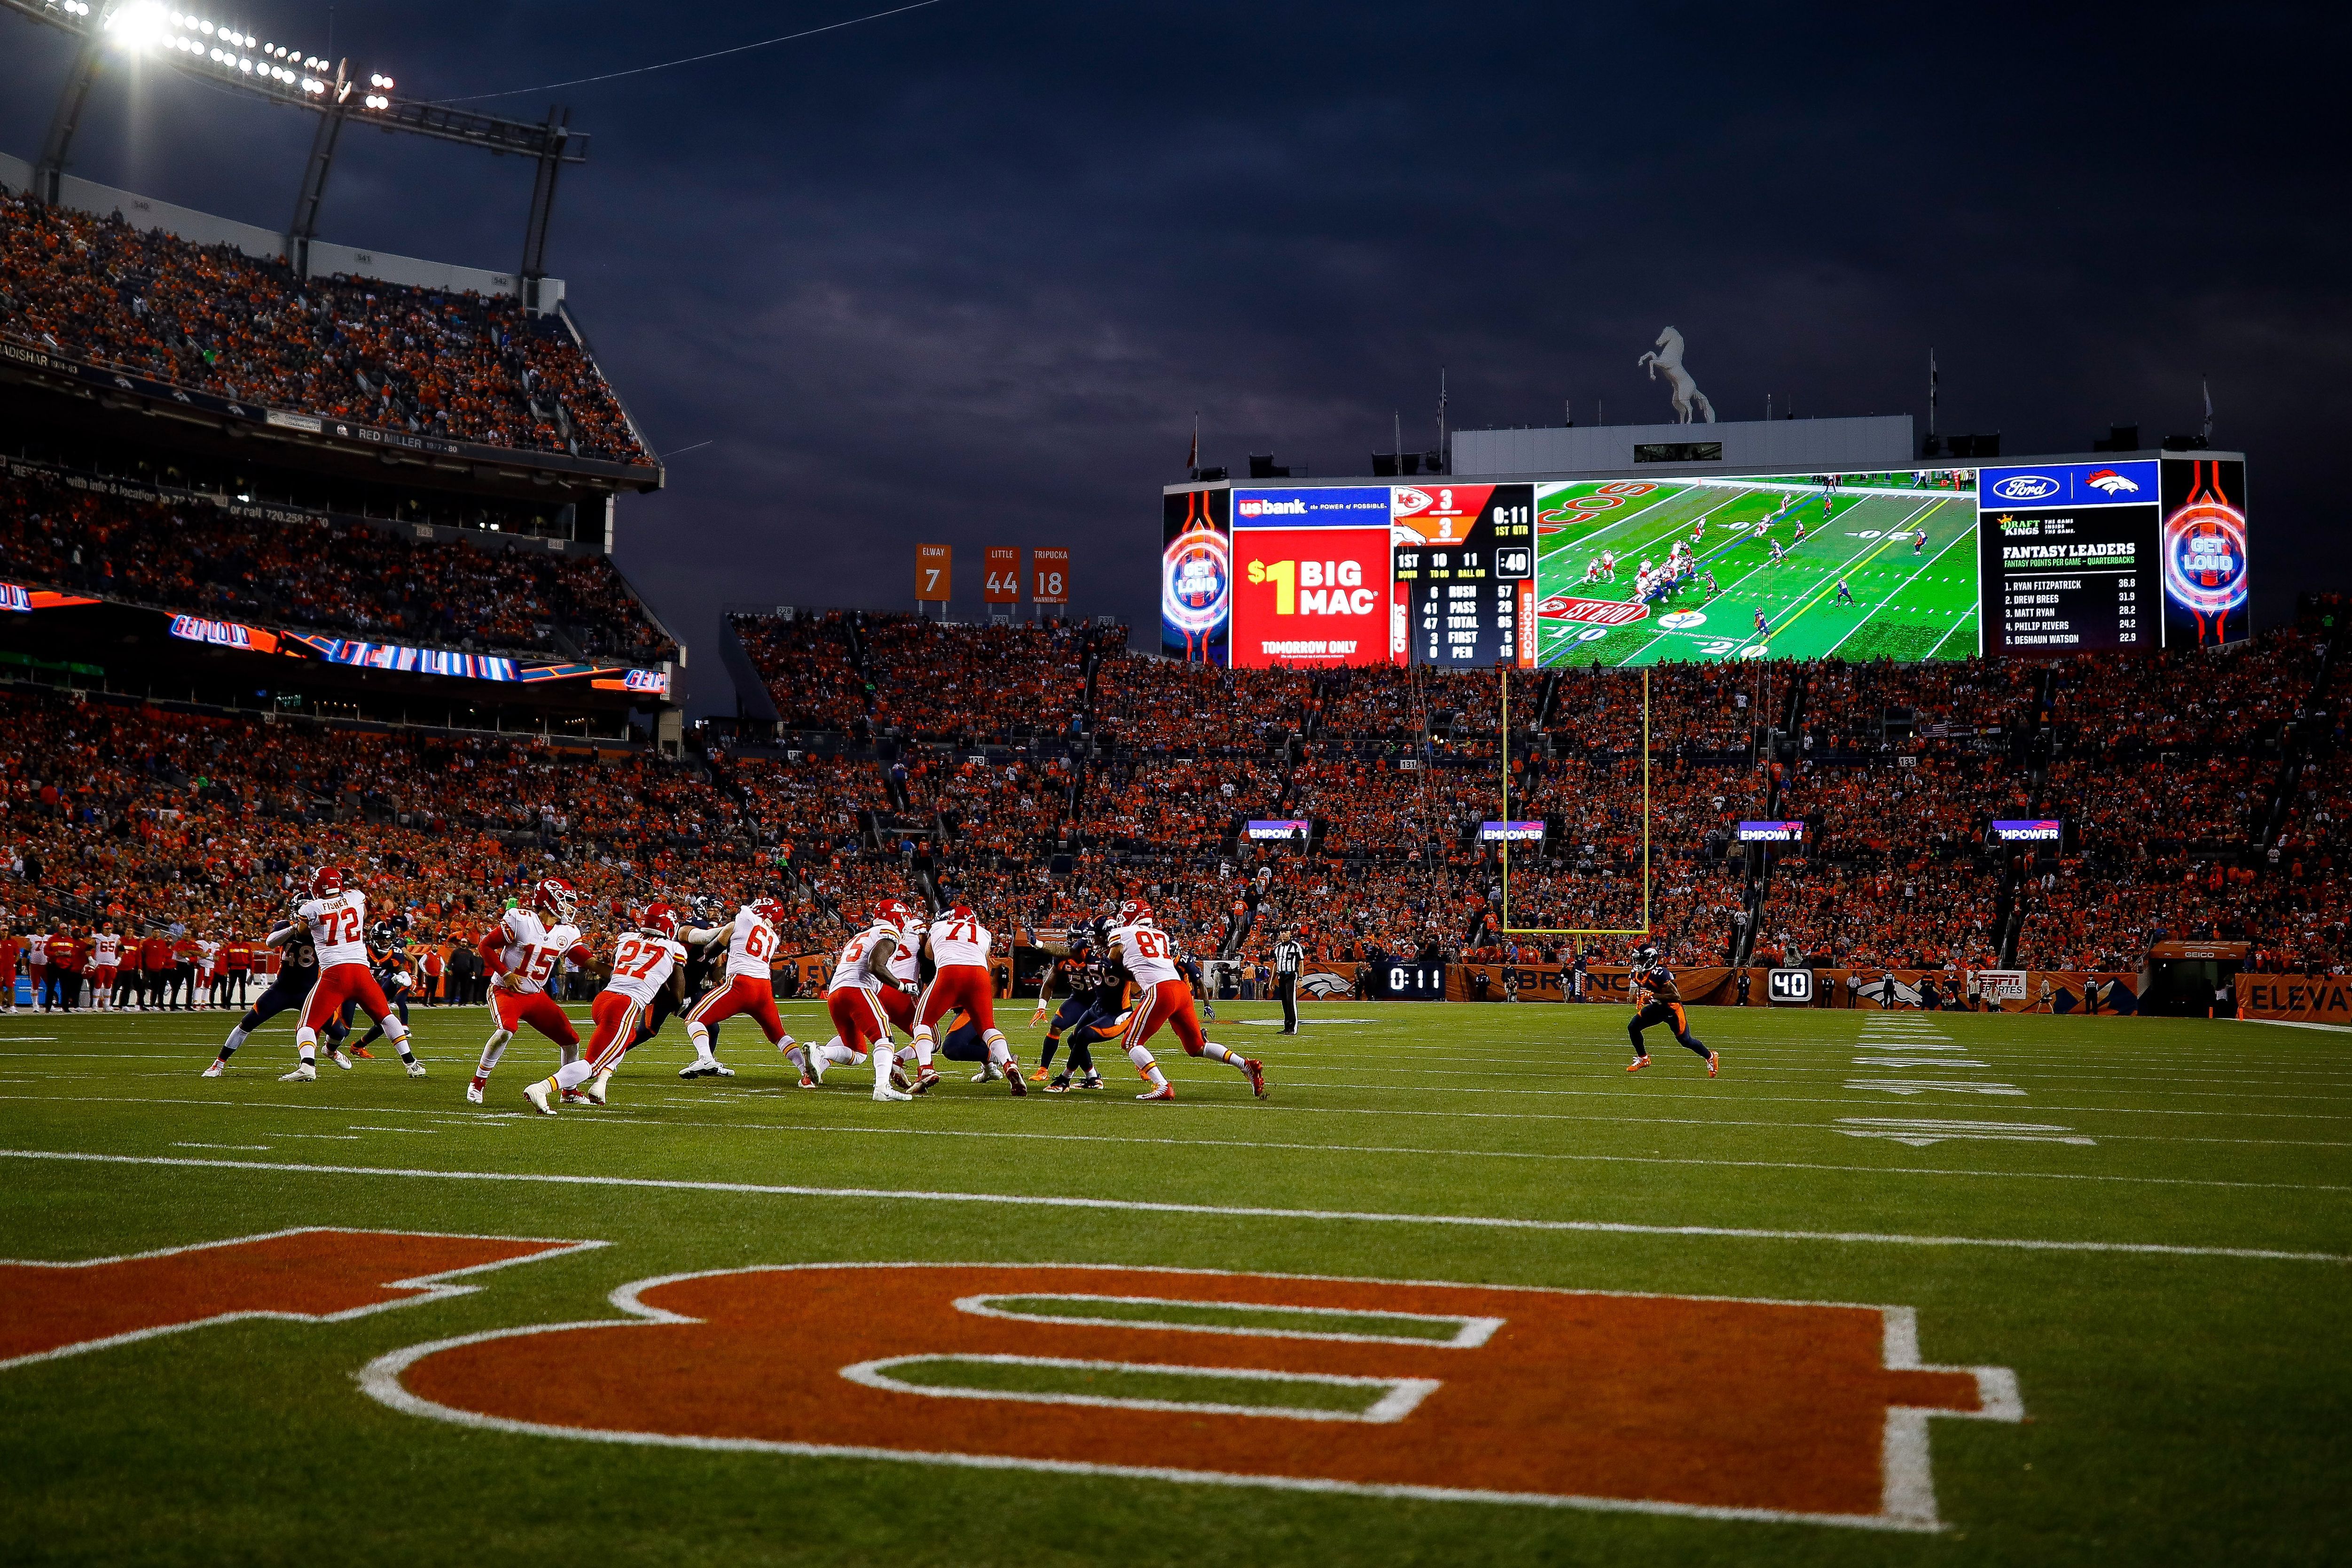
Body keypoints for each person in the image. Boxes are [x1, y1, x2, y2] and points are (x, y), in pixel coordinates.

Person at [524, 902, 689, 1114]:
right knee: (592, 1064)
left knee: (627, 1038)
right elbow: (676, 997)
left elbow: (622, 967)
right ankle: (543, 1088)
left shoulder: (626, 938)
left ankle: (600, 1085)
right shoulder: (675, 949)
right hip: (625, 1005)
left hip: (604, 999)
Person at [1107, 896, 1265, 1102]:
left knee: (1131, 1042)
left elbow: (1112, 962)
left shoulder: (1123, 933)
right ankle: (1246, 1065)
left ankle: (1162, 1085)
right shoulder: (1161, 936)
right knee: (1197, 1047)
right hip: (1181, 990)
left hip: (1160, 991)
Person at [284, 866, 420, 1082]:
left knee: (307, 1024)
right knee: (386, 1016)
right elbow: (362, 913)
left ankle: (307, 1066)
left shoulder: (311, 908)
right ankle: (411, 1063)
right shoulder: (355, 897)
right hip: (361, 971)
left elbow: (302, 932)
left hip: (335, 973)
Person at [467, 878, 592, 1103]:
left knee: (571, 1040)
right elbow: (485, 946)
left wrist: (605, 967)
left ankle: (570, 1092)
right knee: (506, 1030)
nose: (568, 907)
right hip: (506, 991)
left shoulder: (567, 931)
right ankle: (478, 1083)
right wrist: (506, 973)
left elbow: (581, 956)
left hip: (535, 995)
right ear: (549, 900)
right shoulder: (521, 920)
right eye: (565, 900)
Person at [909, 901, 1023, 1095]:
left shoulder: (940, 927)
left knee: (922, 1023)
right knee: (988, 1027)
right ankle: (1008, 1063)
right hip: (979, 976)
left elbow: (929, 955)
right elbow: (984, 956)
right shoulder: (984, 933)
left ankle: (926, 1068)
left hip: (951, 972)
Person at [682, 894, 800, 1079]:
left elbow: (713, 948)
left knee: (694, 1018)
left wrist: (704, 957)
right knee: (779, 1035)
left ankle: (705, 1058)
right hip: (764, 989)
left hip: (741, 984)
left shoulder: (744, 917)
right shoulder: (773, 937)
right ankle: (805, 1070)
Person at [808, 900, 912, 1103]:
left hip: (836, 993)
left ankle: (820, 1052)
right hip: (857, 988)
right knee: (885, 1039)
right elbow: (875, 965)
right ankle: (882, 1088)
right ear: (897, 918)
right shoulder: (889, 932)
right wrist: (902, 986)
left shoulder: (861, 935)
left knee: (858, 1053)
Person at [1624, 944, 1717, 1076]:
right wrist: (1642, 998)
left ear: (1651, 960)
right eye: (1637, 959)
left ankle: (1710, 1056)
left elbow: (1676, 997)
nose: (1638, 963)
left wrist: (1652, 996)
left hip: (1672, 1010)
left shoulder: (1660, 974)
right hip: (1657, 1009)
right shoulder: (1636, 974)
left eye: (1642, 960)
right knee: (1633, 1027)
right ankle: (1643, 1058)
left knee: (1685, 1041)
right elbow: (1644, 988)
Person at [1271, 925, 1303, 1034]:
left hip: (1291, 976)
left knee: (1291, 1001)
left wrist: (1300, 978)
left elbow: (1301, 962)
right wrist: (1272, 980)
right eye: (1282, 932)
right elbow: (1276, 965)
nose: (1284, 934)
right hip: (1282, 976)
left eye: (1286, 932)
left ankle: (1293, 1028)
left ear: (1290, 933)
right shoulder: (1278, 948)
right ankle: (1287, 1027)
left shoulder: (1295, 946)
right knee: (1284, 1002)